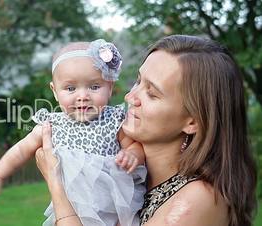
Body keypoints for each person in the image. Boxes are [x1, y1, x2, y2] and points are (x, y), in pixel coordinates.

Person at [35, 34, 257, 226]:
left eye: (152, 93)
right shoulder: (134, 177)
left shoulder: (196, 200)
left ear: (193, 121)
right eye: (138, 81)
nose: (130, 97)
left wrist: (57, 185)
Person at [0, 39, 147, 226]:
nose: (82, 96)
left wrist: (132, 154)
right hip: (69, 208)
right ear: (55, 91)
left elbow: (135, 146)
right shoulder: (52, 126)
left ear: (109, 87)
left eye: (94, 87)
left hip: (114, 207)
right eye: (70, 88)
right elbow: (20, 150)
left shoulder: (114, 120)